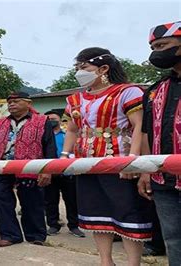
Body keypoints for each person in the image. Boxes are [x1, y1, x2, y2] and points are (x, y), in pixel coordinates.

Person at [62, 47, 151, 266]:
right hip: (86, 163)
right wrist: (64, 157)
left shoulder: (128, 92)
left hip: (120, 161)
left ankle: (133, 263)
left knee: (127, 213)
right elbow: (72, 130)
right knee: (96, 214)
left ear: (103, 68)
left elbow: (139, 125)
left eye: (84, 67)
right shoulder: (75, 99)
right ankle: (105, 261)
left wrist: (134, 160)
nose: (79, 72)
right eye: (77, 67)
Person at [138, 21, 181, 265]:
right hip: (163, 180)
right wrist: (146, 171)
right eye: (153, 47)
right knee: (173, 238)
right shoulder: (155, 91)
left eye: (163, 45)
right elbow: (145, 134)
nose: (156, 52)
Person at [0, 91, 56, 247]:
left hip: (30, 166)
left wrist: (47, 169)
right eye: (9, 102)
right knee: (0, 197)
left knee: (32, 201)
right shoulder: (0, 123)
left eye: (16, 101)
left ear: (28, 103)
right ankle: (9, 234)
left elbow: (50, 146)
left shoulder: (42, 121)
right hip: (2, 166)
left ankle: (36, 235)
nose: (12, 104)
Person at [43, 110, 84, 238]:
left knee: (71, 200)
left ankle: (74, 226)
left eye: (53, 118)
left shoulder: (67, 135)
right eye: (48, 119)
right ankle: (53, 225)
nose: (51, 121)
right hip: (50, 173)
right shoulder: (43, 136)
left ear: (60, 120)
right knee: (51, 201)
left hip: (68, 172)